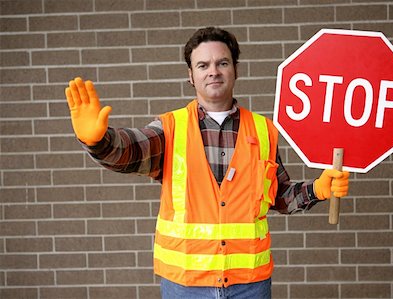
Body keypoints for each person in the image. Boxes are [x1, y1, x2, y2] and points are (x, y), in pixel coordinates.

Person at [65, 27, 349, 299]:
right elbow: (130, 150)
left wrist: (317, 189)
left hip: (249, 285)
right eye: (203, 65)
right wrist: (99, 141)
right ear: (191, 75)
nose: (213, 71)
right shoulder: (170, 129)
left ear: (235, 69)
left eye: (222, 62)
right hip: (186, 286)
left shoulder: (264, 131)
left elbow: (278, 195)